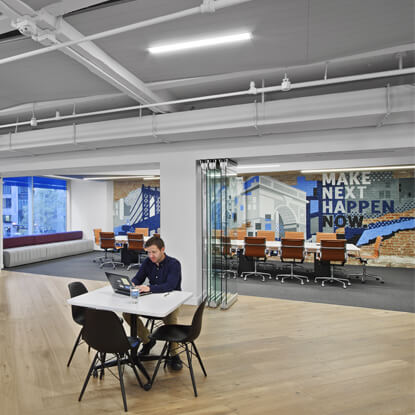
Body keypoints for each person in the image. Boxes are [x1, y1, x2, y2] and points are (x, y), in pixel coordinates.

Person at [123, 235, 183, 370]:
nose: (151, 256)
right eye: (148, 252)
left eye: (154, 252)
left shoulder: (174, 264)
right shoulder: (147, 262)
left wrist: (149, 288)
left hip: (170, 299)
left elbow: (170, 285)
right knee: (127, 314)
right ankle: (148, 341)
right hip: (151, 299)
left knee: (170, 318)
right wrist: (132, 284)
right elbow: (138, 278)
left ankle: (174, 354)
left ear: (162, 250)